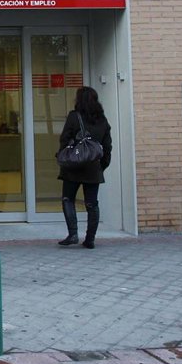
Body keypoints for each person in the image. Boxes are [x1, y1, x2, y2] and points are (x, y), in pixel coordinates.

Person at [57, 86, 113, 249]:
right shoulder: (102, 120)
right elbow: (107, 146)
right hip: (93, 168)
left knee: (68, 199)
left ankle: (73, 234)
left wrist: (63, 155)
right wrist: (102, 165)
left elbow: (64, 138)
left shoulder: (74, 117)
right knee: (92, 204)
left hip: (73, 166)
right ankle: (90, 239)